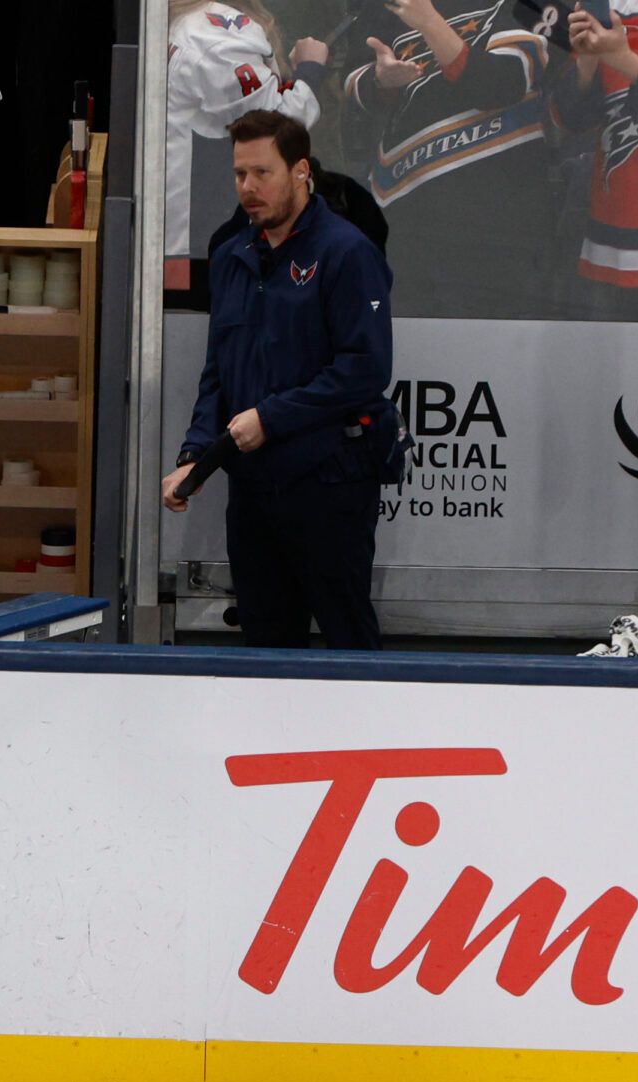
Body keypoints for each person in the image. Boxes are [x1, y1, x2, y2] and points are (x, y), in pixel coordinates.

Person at [162, 110, 395, 650]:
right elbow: (219, 369)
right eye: (240, 174)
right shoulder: (230, 256)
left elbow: (366, 368)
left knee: (348, 639)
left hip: (329, 485)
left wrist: (271, 417)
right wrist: (195, 453)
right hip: (254, 491)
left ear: (300, 171)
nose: (249, 187)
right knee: (265, 647)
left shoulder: (346, 251)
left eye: (262, 173)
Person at [344, 0, 556, 317]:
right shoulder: (388, 7)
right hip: (400, 219)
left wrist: (429, 21)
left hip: (499, 228)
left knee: (490, 357)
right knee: (408, 358)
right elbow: (353, 81)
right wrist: (380, 79)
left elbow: (500, 84)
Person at [165, 0, 330, 298]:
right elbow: (279, 128)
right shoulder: (209, 29)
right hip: (208, 243)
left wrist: (289, 78)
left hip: (192, 241)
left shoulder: (183, 24)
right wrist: (311, 69)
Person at [553, 1, 638, 314]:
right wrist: (587, 61)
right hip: (613, 245)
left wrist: (622, 59)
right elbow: (570, 120)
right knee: (612, 359)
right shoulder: (604, 13)